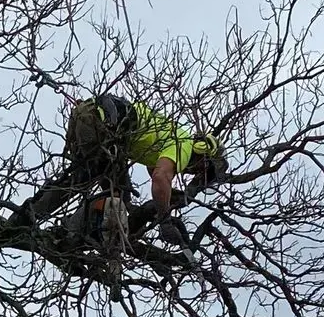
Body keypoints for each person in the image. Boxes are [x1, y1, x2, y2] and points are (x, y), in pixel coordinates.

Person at [62, 92, 223, 226]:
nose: (195, 172)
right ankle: (72, 231)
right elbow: (159, 177)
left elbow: (154, 167)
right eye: (202, 169)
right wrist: (164, 219)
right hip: (101, 126)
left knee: (80, 179)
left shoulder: (175, 135)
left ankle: (39, 210)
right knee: (115, 195)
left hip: (87, 115)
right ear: (202, 154)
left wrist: (167, 193)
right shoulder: (184, 147)